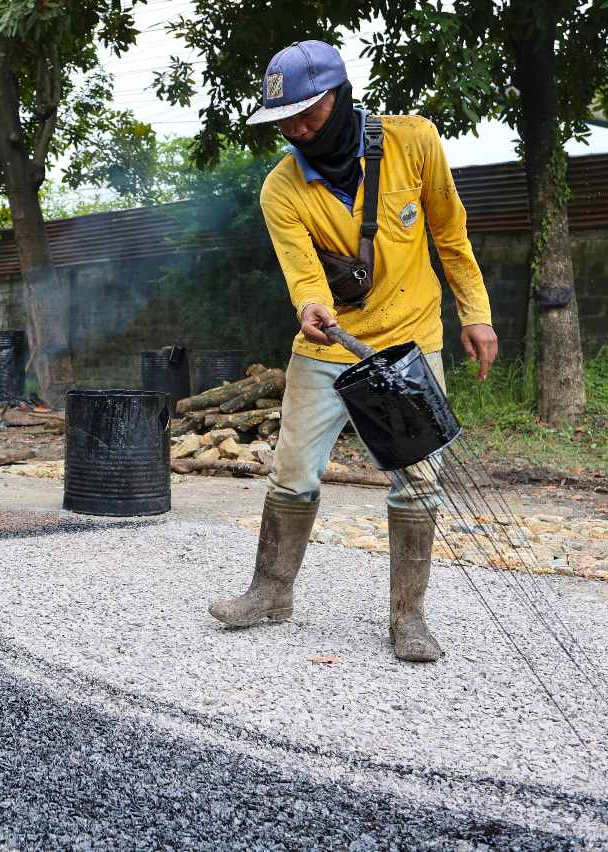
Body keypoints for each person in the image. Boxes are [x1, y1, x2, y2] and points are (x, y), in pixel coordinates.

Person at [208, 42, 499, 662]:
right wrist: (310, 306)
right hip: (325, 346)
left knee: (417, 483)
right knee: (292, 473)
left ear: (339, 97)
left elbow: (450, 234)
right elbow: (303, 272)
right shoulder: (281, 188)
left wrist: (476, 312)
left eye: (307, 114)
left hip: (410, 343)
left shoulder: (414, 142)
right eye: (284, 120)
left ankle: (408, 617)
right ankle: (271, 591)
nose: (296, 129)